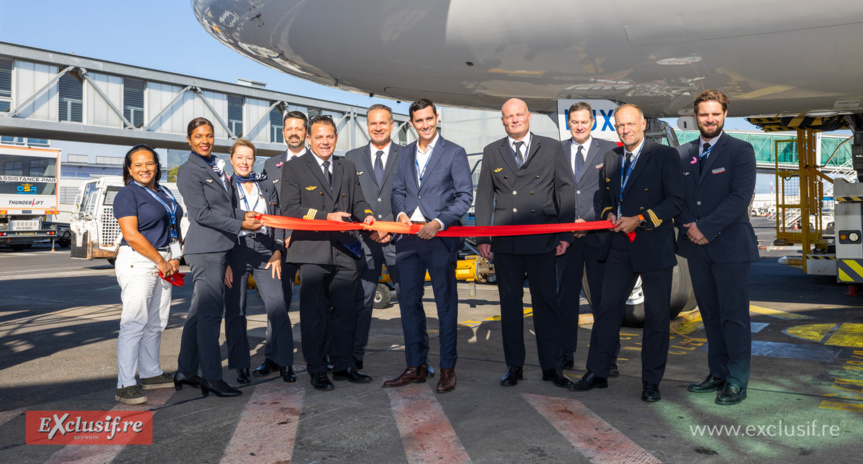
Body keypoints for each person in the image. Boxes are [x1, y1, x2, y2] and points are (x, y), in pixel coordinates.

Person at [571, 104, 683, 403]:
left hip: (652, 243)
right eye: (620, 126)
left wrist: (642, 218)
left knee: (657, 316)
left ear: (643, 124)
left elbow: (675, 201)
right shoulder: (612, 157)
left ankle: (651, 381)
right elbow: (606, 199)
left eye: (630, 124)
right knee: (607, 310)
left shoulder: (664, 155)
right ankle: (598, 371)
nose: (625, 130)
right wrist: (608, 215)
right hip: (619, 242)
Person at [475, 98, 575, 389]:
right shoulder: (492, 151)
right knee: (510, 305)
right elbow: (484, 196)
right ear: (503, 121)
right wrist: (483, 237)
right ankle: (514, 366)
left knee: (547, 305)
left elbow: (565, 191)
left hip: (543, 240)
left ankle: (552, 367)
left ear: (529, 116)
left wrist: (565, 234)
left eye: (519, 115)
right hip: (507, 243)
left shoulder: (552, 147)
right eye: (509, 116)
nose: (515, 120)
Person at [281, 115, 378, 391]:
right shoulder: (294, 168)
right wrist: (327, 216)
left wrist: (368, 216)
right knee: (315, 315)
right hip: (311, 251)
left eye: (330, 136)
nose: (325, 142)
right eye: (319, 137)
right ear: (309, 139)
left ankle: (344, 365)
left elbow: (358, 201)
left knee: (346, 312)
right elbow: (289, 208)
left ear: (336, 138)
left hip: (345, 250)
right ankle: (318, 369)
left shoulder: (347, 166)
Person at [385, 98, 473, 393]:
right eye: (418, 121)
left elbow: (464, 196)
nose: (424, 125)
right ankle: (416, 365)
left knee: (446, 305)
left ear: (437, 118)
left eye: (428, 119)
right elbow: (397, 190)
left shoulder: (455, 153)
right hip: (408, 239)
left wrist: (438, 222)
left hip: (439, 238)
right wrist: (400, 215)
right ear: (411, 124)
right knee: (409, 304)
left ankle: (447, 368)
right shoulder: (405, 153)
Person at [676, 90, 758, 406]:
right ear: (695, 116)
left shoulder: (741, 150)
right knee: (709, 313)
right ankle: (718, 373)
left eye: (715, 114)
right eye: (703, 114)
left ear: (724, 114)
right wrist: (689, 226)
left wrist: (705, 228)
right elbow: (677, 197)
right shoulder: (682, 154)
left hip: (731, 248)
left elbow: (739, 198)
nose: (709, 119)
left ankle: (737, 379)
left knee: (734, 316)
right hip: (697, 248)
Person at [176, 117, 263, 398]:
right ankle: (212, 378)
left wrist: (243, 216)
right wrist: (241, 224)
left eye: (209, 135)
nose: (205, 140)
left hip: (217, 246)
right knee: (211, 315)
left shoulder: (214, 166)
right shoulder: (189, 171)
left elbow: (223, 207)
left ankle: (186, 371)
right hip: (205, 249)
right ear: (189, 140)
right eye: (198, 136)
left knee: (198, 313)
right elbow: (201, 213)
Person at [113, 145, 183, 404]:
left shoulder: (164, 192)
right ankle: (125, 383)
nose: (145, 168)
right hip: (138, 261)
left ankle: (151, 373)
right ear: (129, 169)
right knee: (134, 322)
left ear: (157, 166)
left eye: (149, 163)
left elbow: (174, 227)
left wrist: (174, 257)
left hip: (165, 259)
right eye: (138, 164)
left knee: (157, 320)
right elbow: (131, 235)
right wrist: (160, 261)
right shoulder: (127, 194)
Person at [223, 139, 296, 385]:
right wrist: (226, 261)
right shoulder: (226, 186)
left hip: (266, 250)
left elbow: (277, 219)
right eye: (240, 157)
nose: (244, 162)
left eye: (249, 158)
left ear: (255, 160)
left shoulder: (266, 184)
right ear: (232, 159)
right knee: (236, 309)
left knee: (277, 304)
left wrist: (277, 251)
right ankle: (241, 365)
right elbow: (220, 221)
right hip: (237, 250)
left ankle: (285, 362)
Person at [556, 102, 619, 373]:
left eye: (584, 121)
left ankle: (607, 357)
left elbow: (616, 192)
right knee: (565, 300)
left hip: (600, 236)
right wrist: (567, 224)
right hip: (564, 238)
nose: (579, 126)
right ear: (568, 123)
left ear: (592, 122)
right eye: (574, 122)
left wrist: (590, 221)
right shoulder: (556, 151)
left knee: (604, 302)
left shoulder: (609, 150)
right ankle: (565, 353)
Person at [345, 104, 403, 370]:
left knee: (410, 299)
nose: (378, 128)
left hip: (399, 240)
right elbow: (349, 198)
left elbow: (411, 195)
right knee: (361, 301)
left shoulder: (407, 154)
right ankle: (354, 357)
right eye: (372, 124)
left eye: (383, 123)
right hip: (364, 240)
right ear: (367, 126)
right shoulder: (351, 157)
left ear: (392, 125)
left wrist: (390, 226)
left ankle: (418, 358)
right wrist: (370, 226)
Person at [257, 111, 308, 377]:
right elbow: (269, 205)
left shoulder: (318, 161)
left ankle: (318, 355)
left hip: (312, 242)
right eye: (289, 128)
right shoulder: (270, 164)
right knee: (278, 303)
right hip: (281, 246)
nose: (293, 132)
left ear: (306, 132)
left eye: (298, 128)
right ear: (283, 132)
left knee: (316, 304)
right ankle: (274, 356)